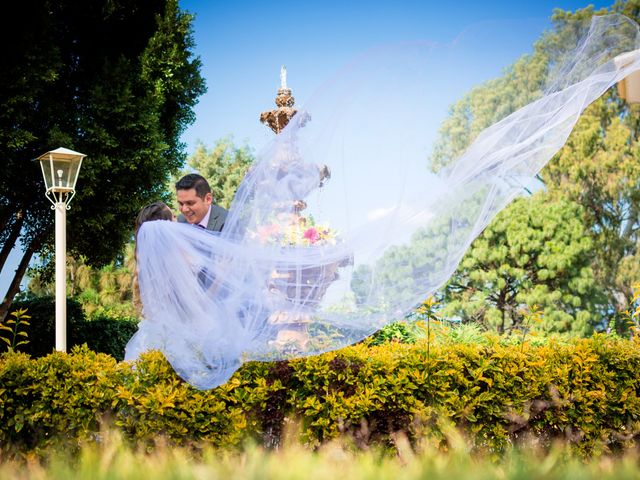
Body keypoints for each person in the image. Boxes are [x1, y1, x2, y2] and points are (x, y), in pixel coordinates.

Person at [132, 202, 174, 311]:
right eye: (173, 217)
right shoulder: (175, 264)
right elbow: (196, 308)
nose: (177, 219)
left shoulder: (147, 266)